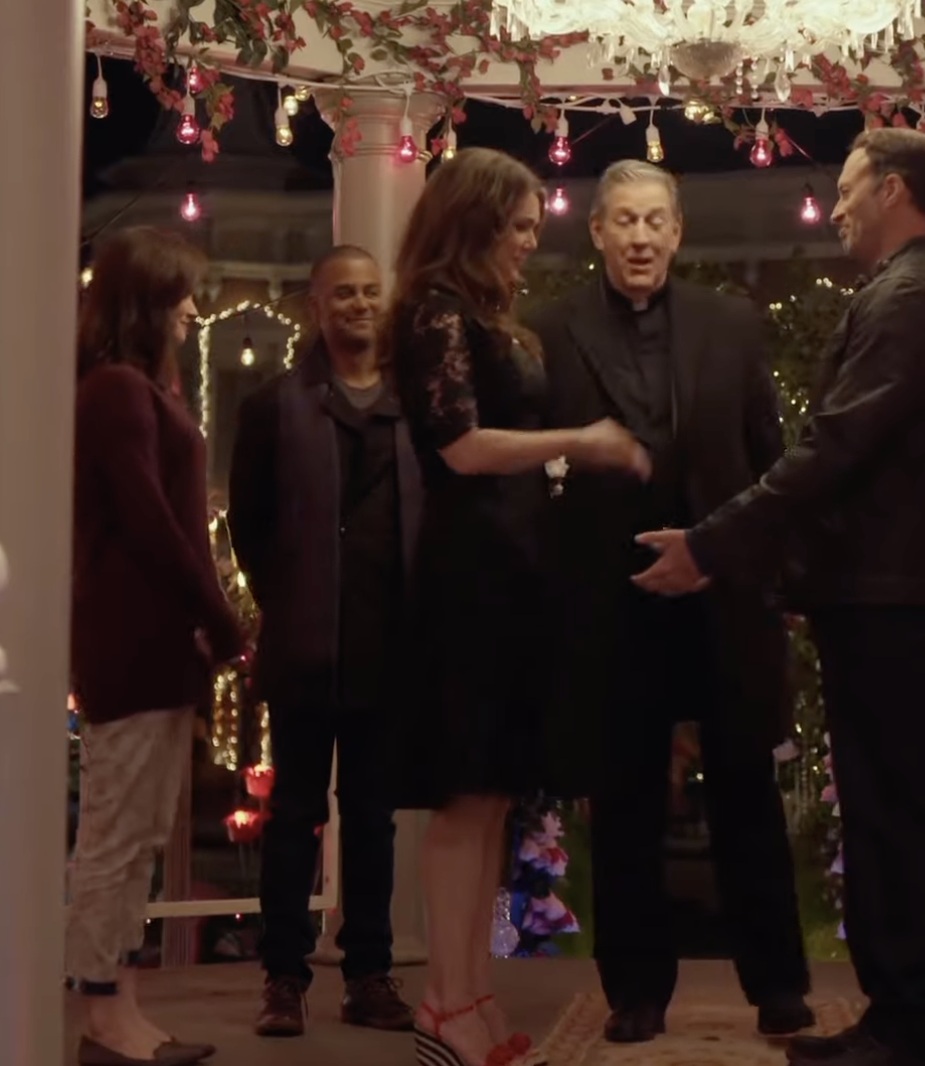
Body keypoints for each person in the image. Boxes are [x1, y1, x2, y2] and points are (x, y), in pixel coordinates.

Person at [634, 128, 925, 1066]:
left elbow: (834, 449)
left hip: (891, 592)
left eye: (848, 189)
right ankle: (898, 1018)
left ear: (898, 191)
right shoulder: (909, 290)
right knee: (885, 807)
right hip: (880, 589)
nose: (833, 209)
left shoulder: (912, 297)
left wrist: (711, 543)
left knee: (897, 810)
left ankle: (913, 1027)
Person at [530, 159, 815, 1045]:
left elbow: (772, 462)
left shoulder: (733, 325)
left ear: (678, 232)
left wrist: (766, 577)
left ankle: (777, 987)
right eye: (625, 221)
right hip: (608, 609)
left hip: (721, 598)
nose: (642, 237)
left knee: (747, 801)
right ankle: (635, 994)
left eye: (656, 220)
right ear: (599, 232)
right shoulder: (550, 330)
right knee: (623, 809)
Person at [384, 147, 651, 1066]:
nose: (532, 244)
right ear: (476, 222)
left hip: (510, 573)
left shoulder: (481, 317)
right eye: (521, 227)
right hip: (468, 581)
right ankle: (445, 1004)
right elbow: (457, 447)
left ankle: (471, 995)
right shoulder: (431, 312)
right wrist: (579, 438)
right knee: (465, 800)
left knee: (493, 797)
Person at [228, 245, 418, 1037]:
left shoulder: (417, 404)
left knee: (374, 820)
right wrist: (289, 598)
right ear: (317, 307)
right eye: (343, 293)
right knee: (294, 817)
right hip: (304, 645)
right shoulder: (274, 405)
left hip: (392, 648)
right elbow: (250, 525)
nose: (359, 305)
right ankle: (283, 977)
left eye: (371, 292)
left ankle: (370, 974)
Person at [68, 226, 244, 1066]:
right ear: (145, 300)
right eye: (178, 294)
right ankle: (102, 1015)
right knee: (114, 833)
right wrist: (223, 617)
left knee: (135, 834)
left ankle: (121, 1004)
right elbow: (152, 523)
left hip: (157, 640)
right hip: (132, 638)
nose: (190, 311)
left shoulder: (138, 388)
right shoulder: (114, 391)